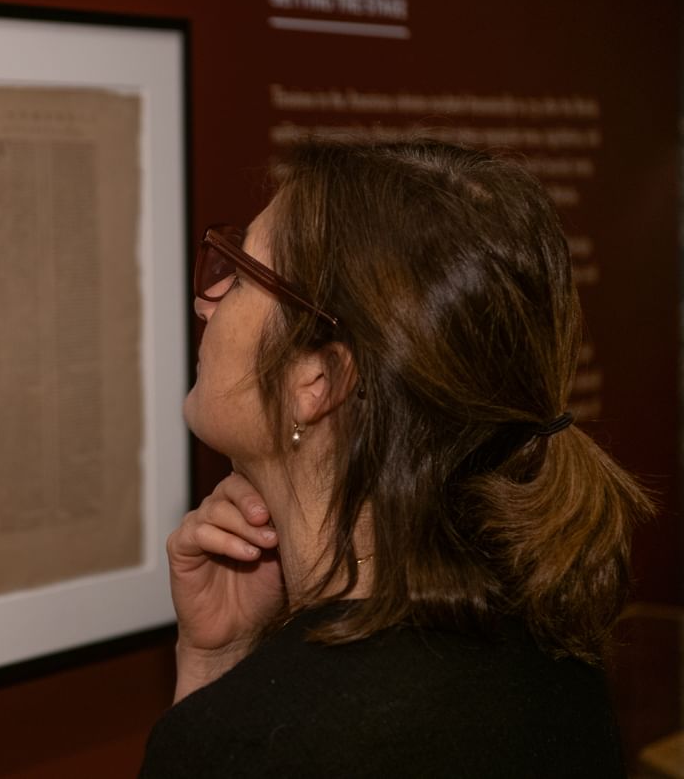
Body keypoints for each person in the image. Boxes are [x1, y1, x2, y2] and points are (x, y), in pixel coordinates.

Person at [139, 139, 654, 778]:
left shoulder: (263, 745)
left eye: (240, 274)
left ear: (318, 382)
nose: (205, 301)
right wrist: (225, 659)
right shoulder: (553, 653)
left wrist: (211, 693)